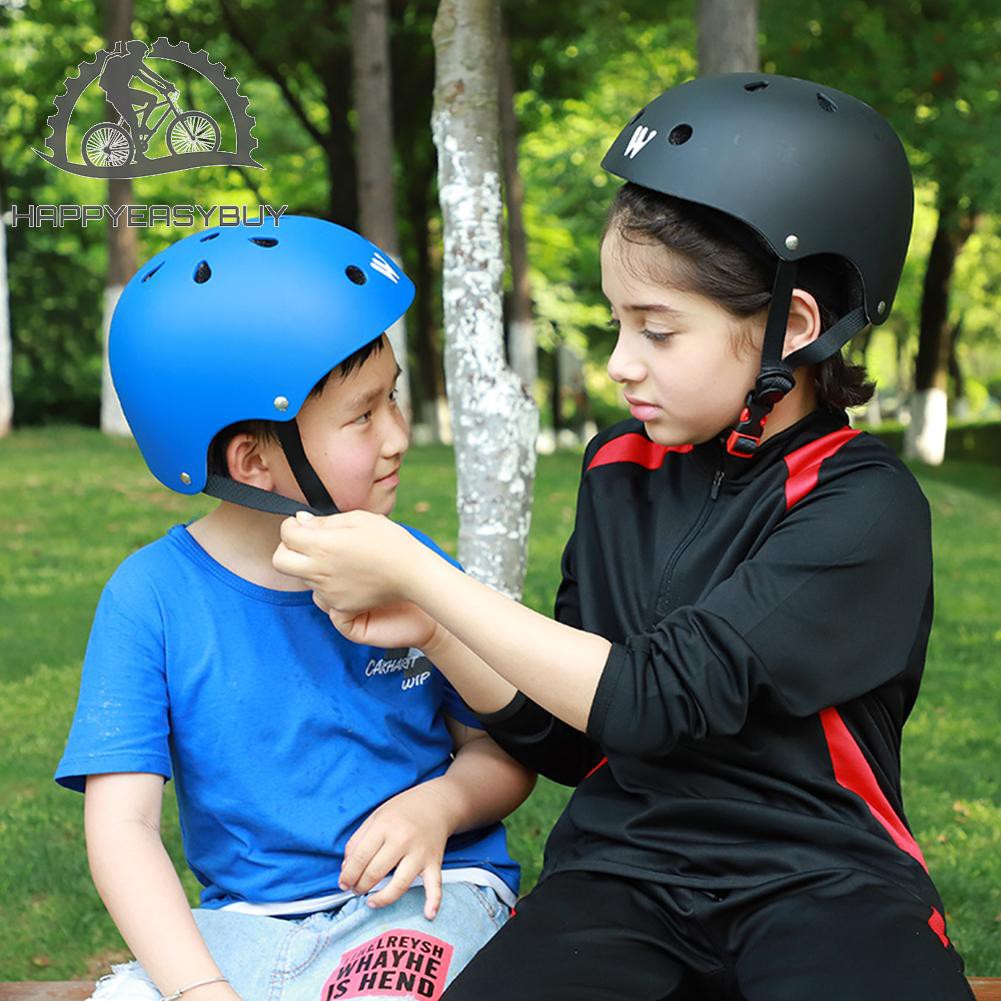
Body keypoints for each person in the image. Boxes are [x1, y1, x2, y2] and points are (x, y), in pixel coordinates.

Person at [272, 75, 975, 1000]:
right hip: (619, 876)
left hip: (824, 880)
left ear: (791, 328)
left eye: (657, 329)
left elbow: (653, 696)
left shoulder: (863, 505)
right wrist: (435, 627)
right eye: (616, 322)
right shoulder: (618, 467)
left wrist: (421, 572)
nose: (619, 363)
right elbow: (575, 739)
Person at [55, 217, 533, 1001]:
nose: (397, 436)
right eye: (362, 415)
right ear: (253, 461)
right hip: (247, 925)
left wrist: (442, 803)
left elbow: (506, 749)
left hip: (416, 902)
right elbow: (123, 827)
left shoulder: (406, 564)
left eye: (394, 401)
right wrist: (197, 988)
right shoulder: (150, 598)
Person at [98, 40, 176, 161]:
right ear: (135, 52)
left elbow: (150, 74)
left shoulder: (133, 61)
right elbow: (145, 77)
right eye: (142, 53)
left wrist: (166, 84)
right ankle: (138, 154)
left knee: (152, 99)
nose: (143, 56)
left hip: (124, 93)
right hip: (117, 94)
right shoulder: (127, 62)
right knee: (133, 121)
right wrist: (161, 87)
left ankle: (143, 126)